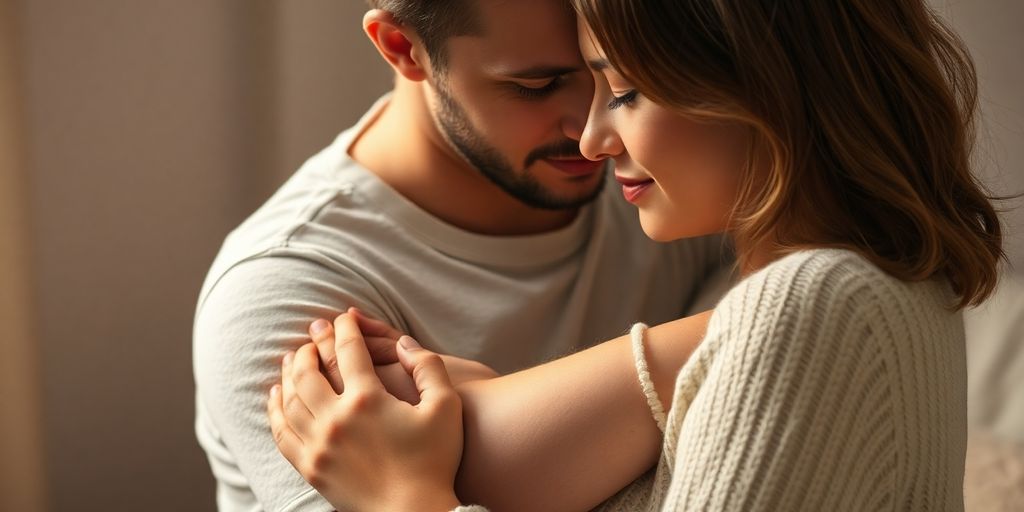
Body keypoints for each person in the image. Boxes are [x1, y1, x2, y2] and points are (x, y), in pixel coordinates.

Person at [266, 0, 1006, 511]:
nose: (591, 139)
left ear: (765, 88)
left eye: (624, 92)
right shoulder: (894, 287)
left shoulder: (807, 307)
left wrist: (406, 501)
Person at [192, 0, 728, 510]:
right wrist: (744, 333)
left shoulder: (679, 173)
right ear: (402, 47)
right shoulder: (285, 291)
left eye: (621, 80)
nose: (592, 131)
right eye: (537, 86)